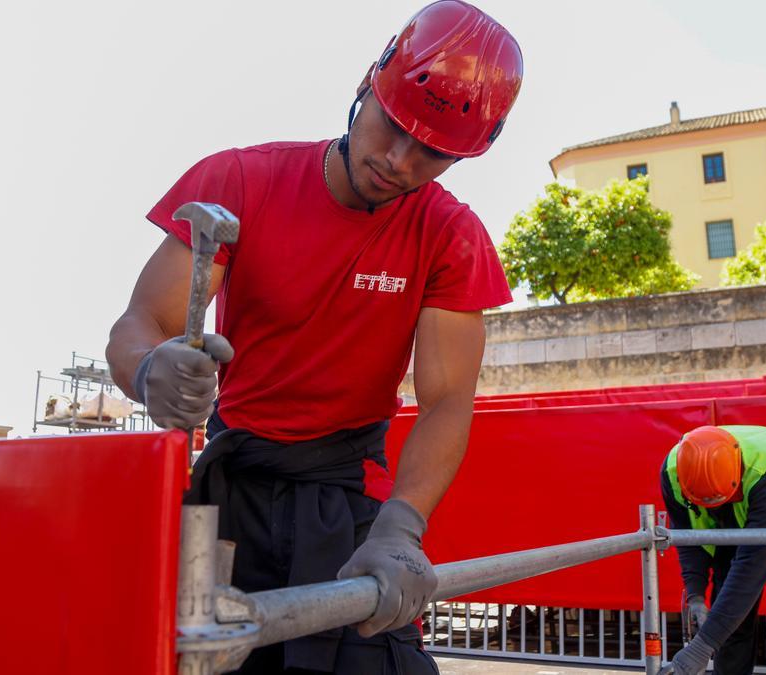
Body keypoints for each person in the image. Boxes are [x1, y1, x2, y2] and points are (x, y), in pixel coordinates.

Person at [105, 2, 522, 672]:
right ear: (369, 82)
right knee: (195, 660)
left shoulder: (450, 235)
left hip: (344, 502)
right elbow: (139, 323)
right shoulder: (241, 181)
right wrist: (151, 366)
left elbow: (447, 401)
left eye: (433, 153)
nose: (398, 160)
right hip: (226, 493)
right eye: (394, 126)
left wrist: (404, 525)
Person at [659, 425, 766, 675]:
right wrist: (695, 595)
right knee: (731, 629)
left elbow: (752, 567)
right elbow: (688, 536)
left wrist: (700, 648)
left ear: (736, 478)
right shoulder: (673, 472)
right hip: (731, 530)